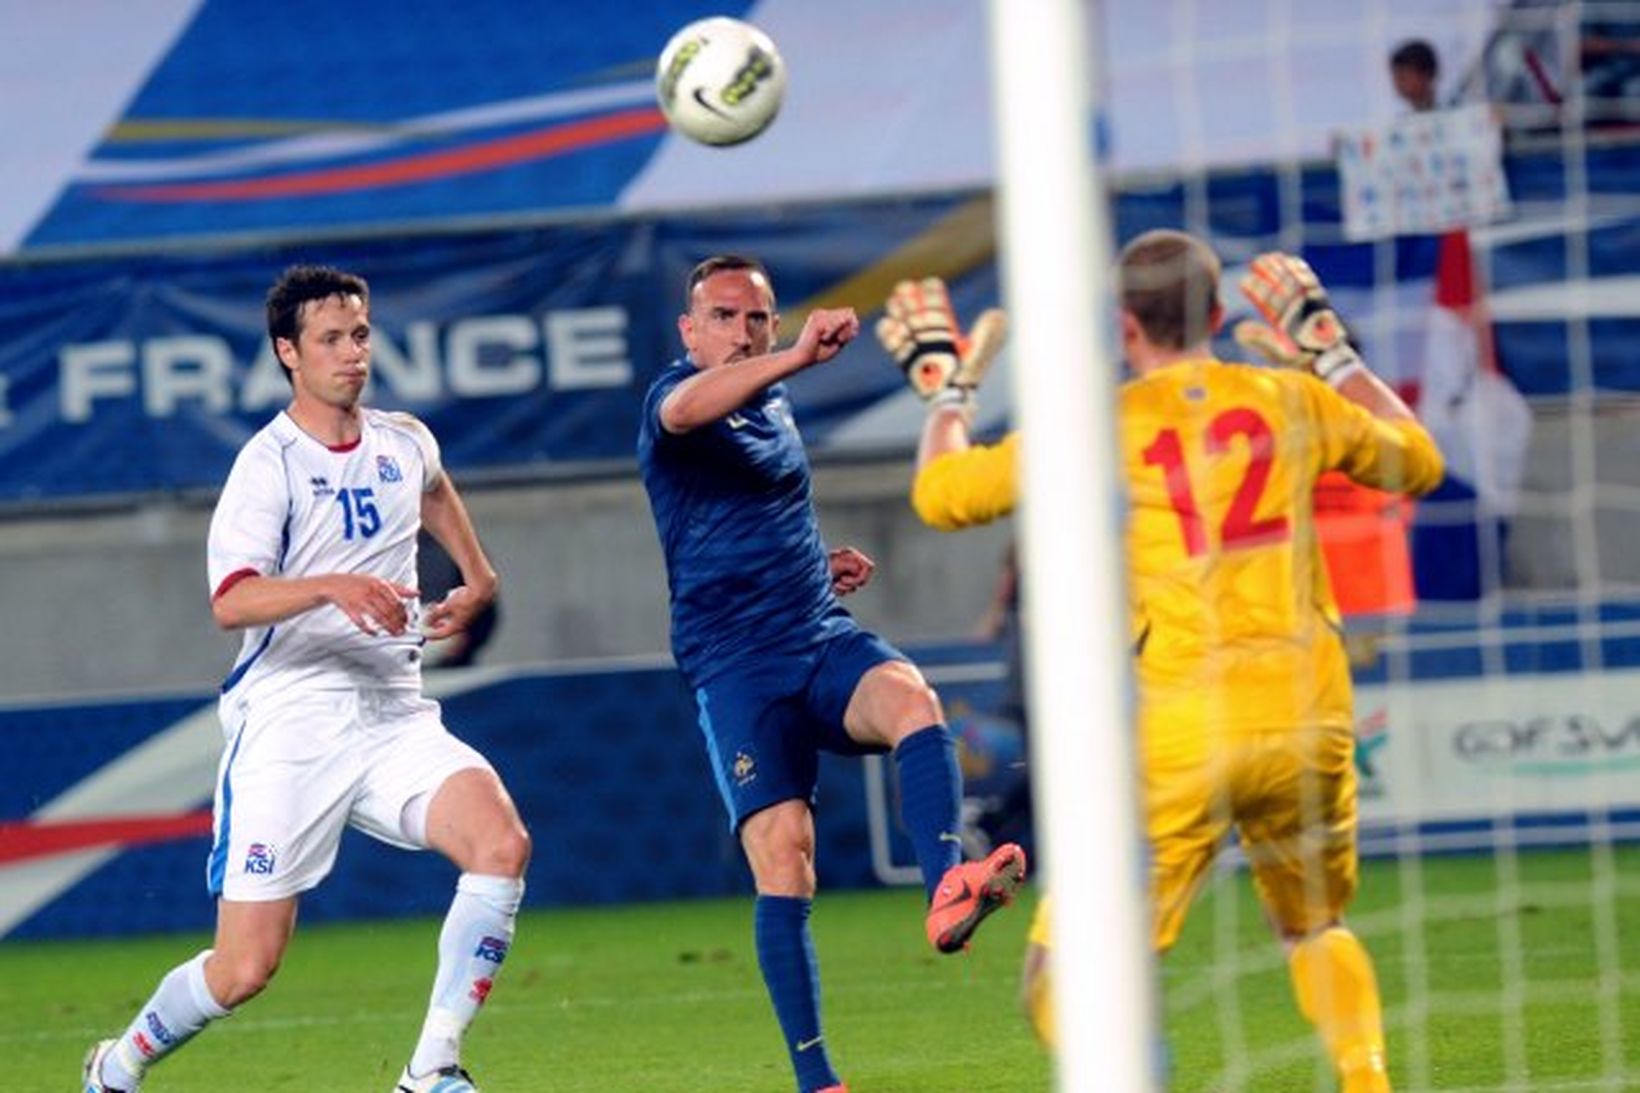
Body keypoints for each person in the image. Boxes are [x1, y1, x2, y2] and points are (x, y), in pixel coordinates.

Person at [885, 233, 1444, 1093]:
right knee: (1314, 926)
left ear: (1123, 326)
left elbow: (941, 494)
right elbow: (1419, 460)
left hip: (1183, 724)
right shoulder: (1291, 397)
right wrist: (1332, 355)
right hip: (1310, 708)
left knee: (1058, 977)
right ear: (1219, 315)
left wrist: (945, 386)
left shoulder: (1096, 427)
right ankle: (1368, 1081)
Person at [83, 266, 529, 1093]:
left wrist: (478, 571)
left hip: (394, 711)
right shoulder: (269, 464)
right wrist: (331, 584)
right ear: (289, 352)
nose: (352, 353)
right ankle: (118, 1063)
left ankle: (431, 1069)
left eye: (359, 333)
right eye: (330, 339)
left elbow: (431, 485)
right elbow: (232, 601)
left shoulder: (403, 439)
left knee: (501, 844)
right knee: (245, 968)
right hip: (292, 718)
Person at [636, 254, 1026, 1093]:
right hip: (735, 669)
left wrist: (817, 560)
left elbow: (748, 517)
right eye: (725, 317)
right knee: (786, 859)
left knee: (912, 700)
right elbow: (683, 413)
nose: (743, 333)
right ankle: (819, 1081)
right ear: (690, 329)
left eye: (758, 319)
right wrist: (796, 356)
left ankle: (949, 884)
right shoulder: (677, 396)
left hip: (814, 632)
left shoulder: (771, 402)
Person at [1389, 39, 1440, 113]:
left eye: (1403, 77)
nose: (1397, 83)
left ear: (1425, 75)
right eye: (1395, 77)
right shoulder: (1406, 121)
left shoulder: (1451, 116)